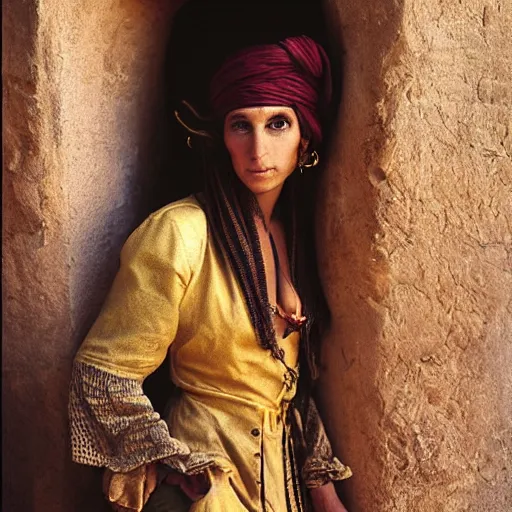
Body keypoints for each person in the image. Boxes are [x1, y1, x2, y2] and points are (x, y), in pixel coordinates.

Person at [69, 35, 352, 512]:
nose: (258, 148)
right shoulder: (180, 231)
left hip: (283, 491)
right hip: (205, 485)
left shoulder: (300, 237)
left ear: (305, 138)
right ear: (222, 137)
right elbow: (102, 373)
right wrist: (172, 461)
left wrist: (326, 495)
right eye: (241, 125)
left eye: (277, 123)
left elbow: (289, 388)